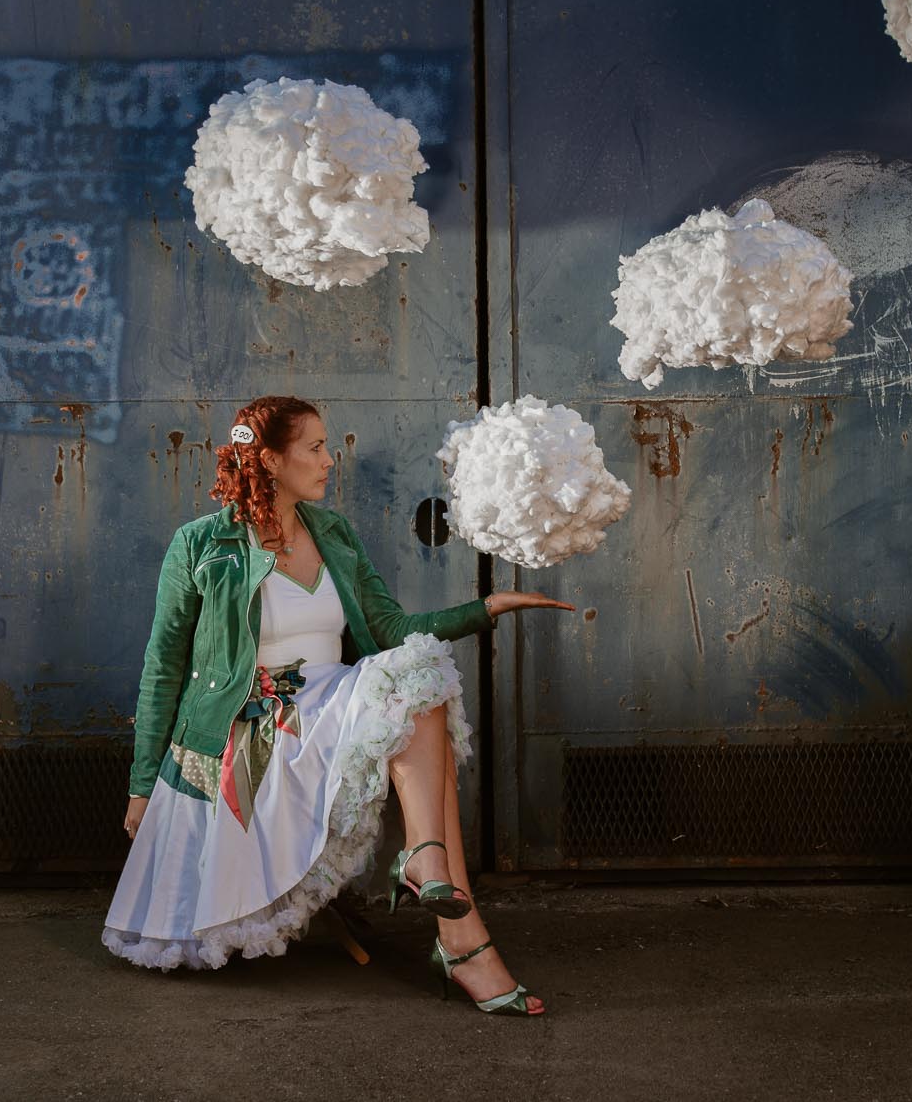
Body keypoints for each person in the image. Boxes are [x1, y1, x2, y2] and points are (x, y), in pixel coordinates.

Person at [103, 394, 569, 1015]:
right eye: (316, 447)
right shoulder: (200, 546)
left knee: (417, 676)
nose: (330, 460)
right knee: (414, 691)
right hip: (257, 725)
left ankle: (431, 873)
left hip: (334, 704)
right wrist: (141, 785)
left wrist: (485, 610)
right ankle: (460, 937)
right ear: (270, 459)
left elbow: (391, 625)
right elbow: (163, 669)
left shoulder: (334, 533)